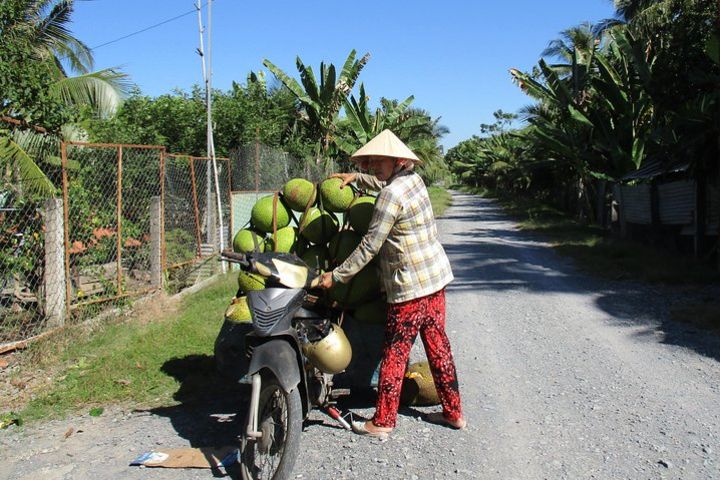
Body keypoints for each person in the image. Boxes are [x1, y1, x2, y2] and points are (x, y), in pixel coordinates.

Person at [317, 129, 466, 438]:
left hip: (409, 286)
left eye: (378, 161)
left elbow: (370, 245)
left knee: (395, 352)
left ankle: (383, 420)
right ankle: (454, 414)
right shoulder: (413, 181)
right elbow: (384, 183)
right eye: (369, 162)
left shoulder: (390, 195)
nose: (372, 166)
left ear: (397, 160)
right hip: (434, 279)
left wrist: (337, 275)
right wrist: (356, 179)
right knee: (439, 347)